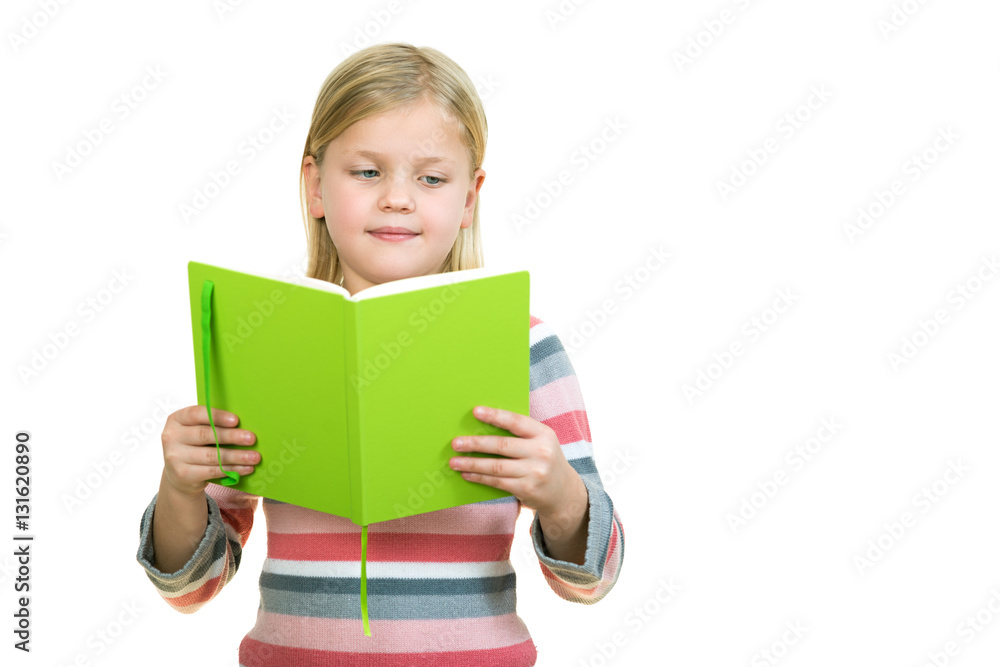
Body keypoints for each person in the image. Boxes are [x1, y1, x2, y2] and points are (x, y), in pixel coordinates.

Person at [135, 42, 624, 666]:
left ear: (469, 198)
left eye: (432, 178)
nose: (398, 198)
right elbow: (190, 586)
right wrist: (179, 486)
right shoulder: (263, 339)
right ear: (315, 186)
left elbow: (594, 579)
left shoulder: (522, 345)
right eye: (367, 172)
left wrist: (560, 495)